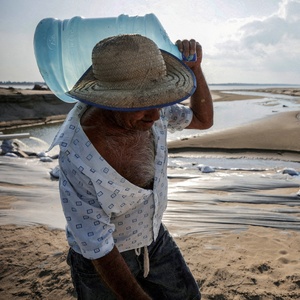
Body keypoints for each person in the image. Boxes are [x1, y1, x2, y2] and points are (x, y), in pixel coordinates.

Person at [49, 34, 213, 299]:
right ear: (109, 99)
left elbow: (202, 120)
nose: (157, 115)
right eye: (143, 105)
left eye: (159, 101)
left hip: (154, 237)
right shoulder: (78, 152)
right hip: (103, 258)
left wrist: (195, 70)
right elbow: (97, 245)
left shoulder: (151, 108)